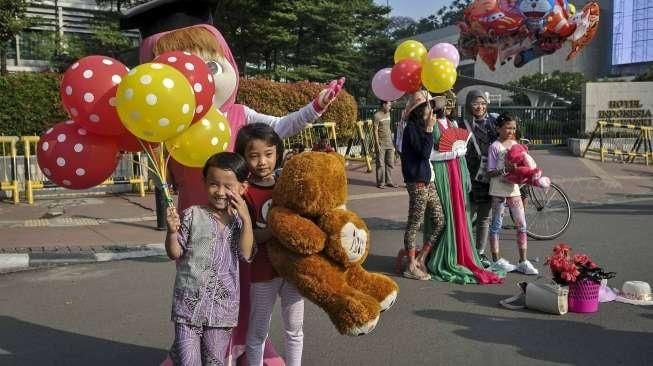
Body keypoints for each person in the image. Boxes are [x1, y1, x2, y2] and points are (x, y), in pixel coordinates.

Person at [164, 152, 255, 365]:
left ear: (243, 187)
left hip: (222, 311)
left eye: (228, 186)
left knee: (215, 361)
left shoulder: (240, 223)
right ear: (204, 183)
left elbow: (246, 253)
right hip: (187, 307)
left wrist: (246, 219)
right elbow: (174, 253)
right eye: (214, 184)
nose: (220, 192)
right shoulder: (192, 214)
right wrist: (170, 232)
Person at [234, 124, 305, 366]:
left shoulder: (288, 185)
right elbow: (247, 236)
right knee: (258, 332)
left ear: (278, 152)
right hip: (262, 273)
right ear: (243, 158)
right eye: (253, 156)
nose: (262, 161)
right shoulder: (243, 193)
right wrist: (276, 230)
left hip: (293, 270)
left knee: (295, 329)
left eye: (268, 153)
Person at [423, 95, 503, 285]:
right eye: (441, 103)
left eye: (448, 103)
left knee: (461, 213)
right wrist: (453, 152)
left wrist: (461, 157)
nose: (446, 106)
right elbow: (427, 153)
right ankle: (437, 253)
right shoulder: (431, 124)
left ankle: (463, 251)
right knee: (445, 213)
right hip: (442, 174)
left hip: (458, 173)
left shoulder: (452, 124)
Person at [399, 90, 446, 281]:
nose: (432, 109)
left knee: (440, 221)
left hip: (427, 180)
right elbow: (424, 153)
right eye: (429, 105)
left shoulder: (423, 126)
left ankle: (421, 257)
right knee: (414, 223)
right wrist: (428, 129)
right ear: (420, 110)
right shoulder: (412, 128)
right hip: (417, 181)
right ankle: (411, 265)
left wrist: (429, 129)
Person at [486, 114, 538, 275]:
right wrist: (506, 169)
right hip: (498, 191)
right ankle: (496, 261)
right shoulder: (494, 146)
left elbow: (524, 165)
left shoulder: (516, 144)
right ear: (498, 128)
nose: (511, 131)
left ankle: (523, 261)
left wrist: (524, 173)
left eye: (513, 128)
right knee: (496, 226)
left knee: (521, 224)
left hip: (514, 190)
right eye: (508, 127)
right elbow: (490, 172)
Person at [462, 90, 498, 268]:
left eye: (483, 103)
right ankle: (464, 251)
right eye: (476, 103)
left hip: (490, 176)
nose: (480, 107)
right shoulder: (463, 124)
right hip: (469, 176)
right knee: (468, 214)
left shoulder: (494, 123)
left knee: (485, 217)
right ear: (469, 105)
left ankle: (480, 252)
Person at [373, 100, 398, 189]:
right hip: (381, 143)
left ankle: (389, 181)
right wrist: (377, 144)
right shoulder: (377, 116)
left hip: (389, 142)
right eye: (389, 105)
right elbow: (375, 131)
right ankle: (381, 182)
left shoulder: (388, 114)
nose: (390, 107)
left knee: (390, 163)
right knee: (380, 164)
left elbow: (388, 128)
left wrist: (392, 141)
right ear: (384, 105)